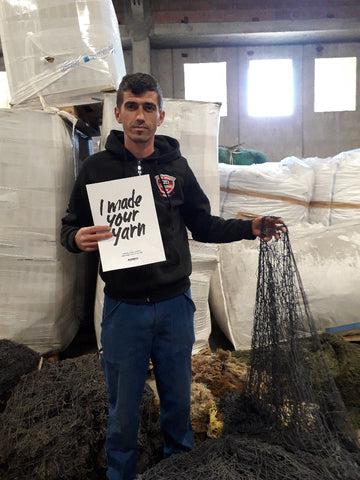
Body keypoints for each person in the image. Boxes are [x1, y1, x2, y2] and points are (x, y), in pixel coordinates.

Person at [61, 72, 286, 480]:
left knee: (179, 408)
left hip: (173, 308)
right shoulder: (96, 169)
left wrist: (247, 228)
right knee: (123, 412)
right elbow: (68, 227)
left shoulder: (176, 167)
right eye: (132, 106)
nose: (140, 115)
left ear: (160, 116)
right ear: (118, 114)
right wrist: (76, 237)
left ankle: (180, 471)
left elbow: (203, 225)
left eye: (149, 107)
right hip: (124, 311)